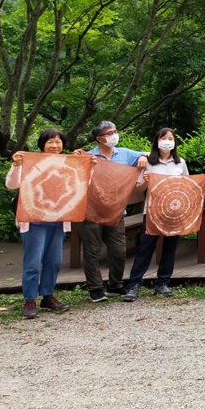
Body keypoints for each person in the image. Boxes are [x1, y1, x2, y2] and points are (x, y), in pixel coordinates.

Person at [6, 129, 92, 319]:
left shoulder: (68, 164)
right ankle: (29, 300)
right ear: (42, 144)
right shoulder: (30, 162)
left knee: (53, 261)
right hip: (33, 219)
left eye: (58, 142)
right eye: (50, 142)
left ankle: (47, 297)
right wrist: (16, 165)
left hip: (58, 219)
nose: (54, 145)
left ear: (63, 145)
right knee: (33, 262)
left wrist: (87, 166)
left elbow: (82, 184)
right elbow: (12, 184)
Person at [81, 120, 148, 302]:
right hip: (92, 211)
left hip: (117, 212)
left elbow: (151, 154)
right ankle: (95, 288)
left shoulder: (125, 154)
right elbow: (73, 171)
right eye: (109, 133)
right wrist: (79, 159)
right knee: (92, 251)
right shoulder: (88, 157)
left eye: (115, 131)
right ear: (99, 138)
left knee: (119, 251)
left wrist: (143, 156)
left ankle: (114, 285)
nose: (113, 135)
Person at [123, 128, 188, 301]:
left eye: (170, 138)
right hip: (151, 210)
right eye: (163, 138)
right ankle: (134, 284)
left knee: (170, 247)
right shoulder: (148, 162)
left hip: (174, 211)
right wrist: (145, 180)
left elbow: (187, 185)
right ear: (157, 141)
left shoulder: (180, 162)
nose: (167, 141)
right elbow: (138, 188)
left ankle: (163, 282)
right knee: (145, 247)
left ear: (175, 142)